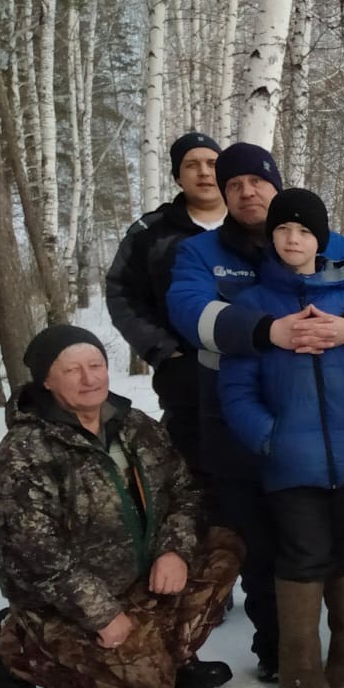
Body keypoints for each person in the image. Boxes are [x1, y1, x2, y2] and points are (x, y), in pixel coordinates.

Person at [165, 141, 344, 678]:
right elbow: (189, 311)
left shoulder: (331, 243)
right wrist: (267, 332)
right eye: (234, 184)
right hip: (242, 428)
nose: (248, 191)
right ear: (223, 195)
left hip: (332, 434)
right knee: (268, 548)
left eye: (258, 181)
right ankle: (279, 653)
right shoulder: (202, 254)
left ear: (276, 185)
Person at [0, 327, 242, 688]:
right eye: (72, 370)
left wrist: (173, 550)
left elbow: (184, 492)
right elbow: (39, 556)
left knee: (223, 546)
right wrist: (101, 614)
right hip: (66, 602)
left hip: (139, 580)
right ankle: (17, 644)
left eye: (96, 365)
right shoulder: (24, 454)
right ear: (46, 381)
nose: (89, 379)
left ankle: (173, 657)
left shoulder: (135, 426)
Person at [218, 190, 344, 688]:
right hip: (290, 460)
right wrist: (268, 436)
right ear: (270, 237)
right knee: (302, 556)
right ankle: (299, 664)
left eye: (303, 231)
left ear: (320, 239)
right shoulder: (255, 306)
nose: (292, 239)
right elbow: (237, 389)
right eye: (282, 230)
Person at [105, 132, 226, 471]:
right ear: (177, 177)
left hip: (254, 372)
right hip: (185, 377)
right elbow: (121, 292)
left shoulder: (251, 225)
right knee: (191, 476)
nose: (203, 172)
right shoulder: (151, 232)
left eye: (212, 163)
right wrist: (163, 350)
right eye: (192, 165)